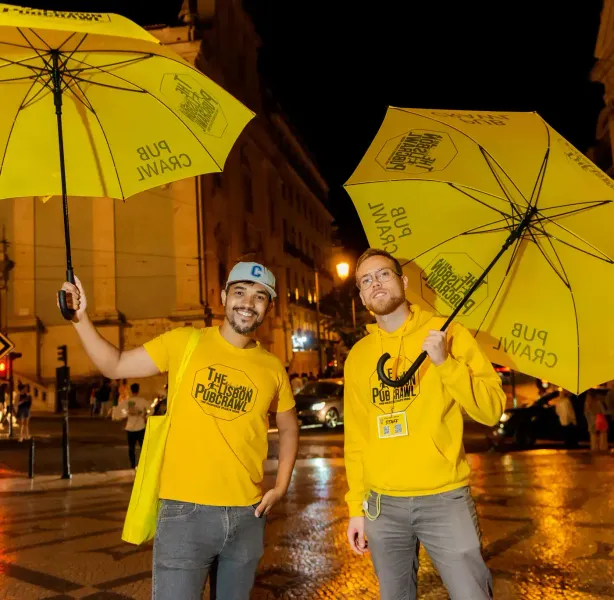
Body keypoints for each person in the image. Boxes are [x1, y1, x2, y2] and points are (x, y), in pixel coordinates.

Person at [59, 261, 299, 600]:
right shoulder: (185, 342)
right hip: (185, 514)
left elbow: (289, 426)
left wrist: (282, 485)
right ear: (223, 296)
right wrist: (81, 318)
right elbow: (114, 365)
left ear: (268, 307)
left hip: (248, 515)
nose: (248, 303)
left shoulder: (273, 367)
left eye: (260, 296)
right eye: (240, 292)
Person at [344, 248, 506, 600]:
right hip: (382, 506)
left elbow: (491, 410)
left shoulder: (448, 333)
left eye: (383, 274)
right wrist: (356, 508)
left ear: (403, 281)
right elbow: (356, 439)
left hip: (444, 498)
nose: (376, 284)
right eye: (366, 280)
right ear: (361, 295)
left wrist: (445, 363)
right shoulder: (358, 357)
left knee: (471, 593)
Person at [117, 383, 150, 469]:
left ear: (131, 390)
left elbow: (120, 410)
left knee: (131, 448)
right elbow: (151, 409)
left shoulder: (128, 401)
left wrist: (126, 414)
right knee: (143, 447)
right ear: (138, 390)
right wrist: (145, 416)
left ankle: (132, 464)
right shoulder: (143, 401)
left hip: (130, 428)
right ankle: (143, 464)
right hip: (140, 427)